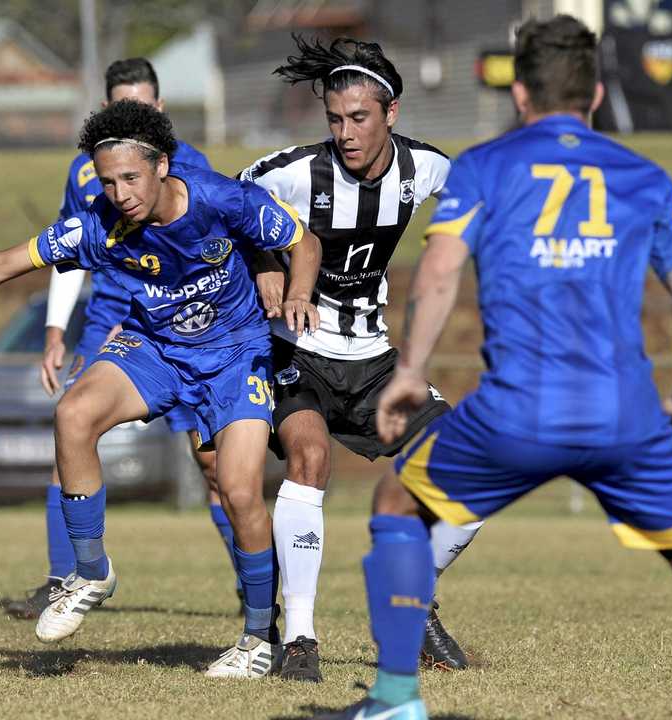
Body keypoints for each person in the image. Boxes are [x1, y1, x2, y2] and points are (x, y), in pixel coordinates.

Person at [326, 15, 672, 719]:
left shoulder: (486, 165)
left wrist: (410, 368)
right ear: (598, 94)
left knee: (397, 502)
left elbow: (439, 271)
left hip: (515, 412)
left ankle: (397, 699)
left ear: (520, 94)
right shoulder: (644, 175)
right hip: (626, 417)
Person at [0, 99, 323, 679]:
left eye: (130, 178)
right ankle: (91, 571)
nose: (119, 193)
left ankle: (255, 639)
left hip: (234, 355)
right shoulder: (98, 224)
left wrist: (297, 291)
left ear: (162, 165)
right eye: (108, 180)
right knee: (73, 413)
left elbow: (305, 242)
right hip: (157, 349)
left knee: (240, 491)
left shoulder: (221, 200)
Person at [238, 35, 477, 682]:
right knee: (310, 457)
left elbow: (484, 209)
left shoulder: (427, 169)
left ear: (391, 114)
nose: (344, 133)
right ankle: (301, 639)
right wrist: (264, 262)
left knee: (471, 466)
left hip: (375, 362)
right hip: (301, 354)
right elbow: (229, 205)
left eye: (359, 118)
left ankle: (412, 600)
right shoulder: (291, 172)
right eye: (335, 120)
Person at [5, 57, 244, 622]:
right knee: (70, 434)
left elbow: (222, 249)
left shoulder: (191, 169)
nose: (129, 114)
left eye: (139, 104)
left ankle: (252, 583)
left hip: (187, 325)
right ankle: (68, 578)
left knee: (214, 465)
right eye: (118, 106)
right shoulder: (86, 172)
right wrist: (56, 329)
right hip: (109, 321)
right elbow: (65, 252)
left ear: (158, 109)